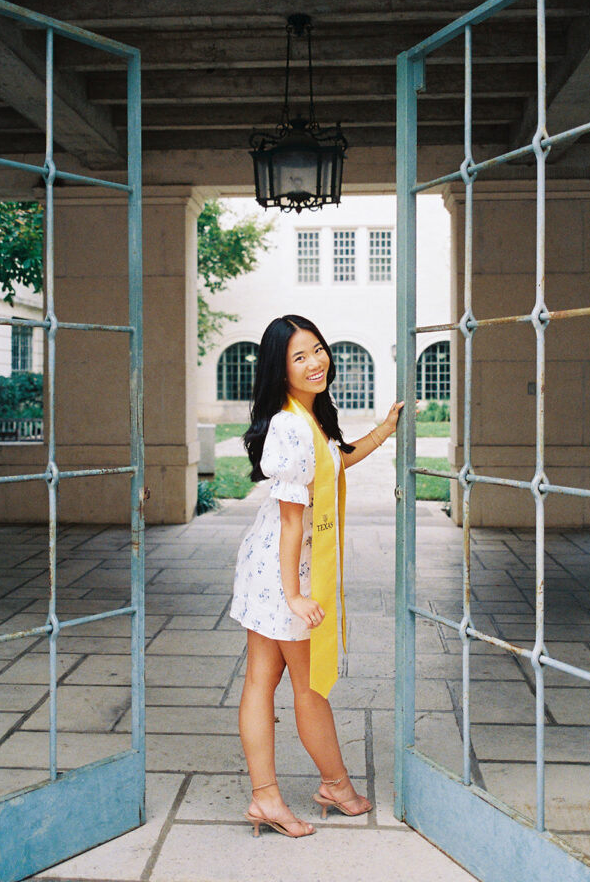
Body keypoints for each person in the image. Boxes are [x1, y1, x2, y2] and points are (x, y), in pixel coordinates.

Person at [231, 314, 403, 838]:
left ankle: (272, 797)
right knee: (308, 683)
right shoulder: (287, 423)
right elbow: (289, 519)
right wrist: (295, 594)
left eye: (318, 350)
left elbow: (336, 463)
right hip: (284, 571)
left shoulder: (309, 417)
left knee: (265, 679)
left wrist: (384, 430)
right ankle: (333, 786)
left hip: (277, 565)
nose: (315, 362)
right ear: (280, 370)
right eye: (299, 357)